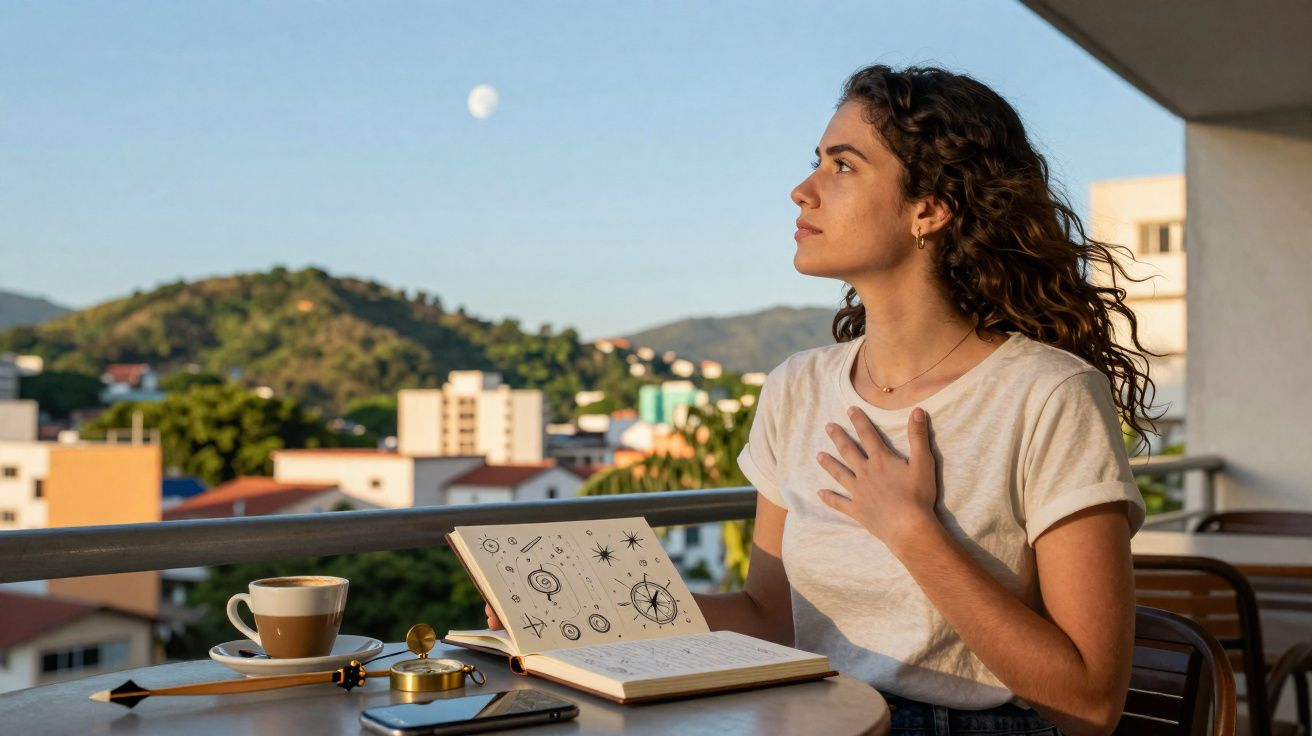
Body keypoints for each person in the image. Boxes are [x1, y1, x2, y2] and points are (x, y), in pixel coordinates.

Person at [487, 64, 1156, 736]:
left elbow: (1091, 704)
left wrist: (911, 531)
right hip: (813, 715)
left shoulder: (1048, 395)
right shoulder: (795, 388)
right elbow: (770, 618)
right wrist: (590, 610)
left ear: (929, 207)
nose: (802, 191)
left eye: (842, 165)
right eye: (817, 162)